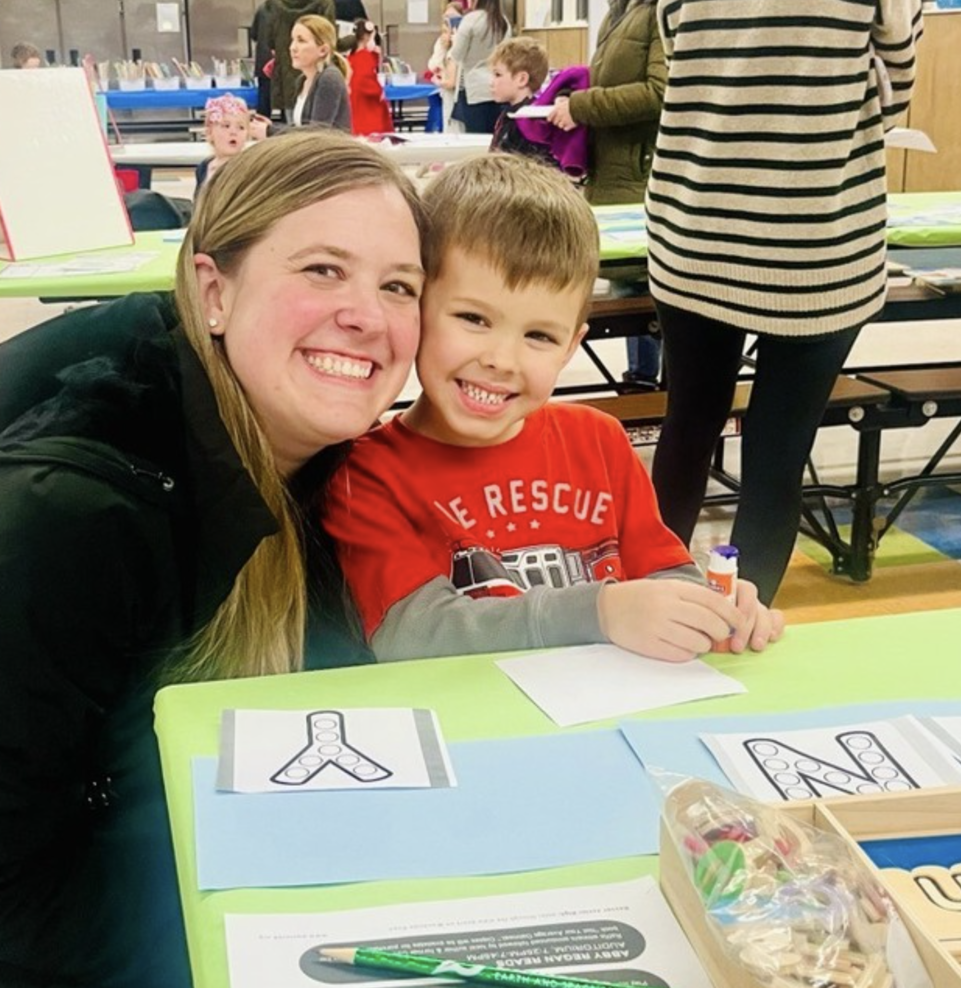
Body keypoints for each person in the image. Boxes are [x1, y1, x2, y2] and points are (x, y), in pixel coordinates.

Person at [0, 131, 426, 988]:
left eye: (398, 287)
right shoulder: (69, 521)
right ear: (213, 290)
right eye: (321, 270)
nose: (368, 315)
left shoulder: (336, 476)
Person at [324, 155, 783, 663]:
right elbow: (413, 633)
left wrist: (712, 606)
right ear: (416, 307)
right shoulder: (363, 473)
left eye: (539, 335)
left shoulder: (599, 440)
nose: (500, 360)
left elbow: (663, 570)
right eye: (473, 318)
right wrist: (601, 612)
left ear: (571, 346)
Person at [647, 0, 923, 606]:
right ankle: (741, 618)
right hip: (817, 239)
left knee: (688, 427)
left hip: (697, 226)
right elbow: (894, 91)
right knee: (777, 455)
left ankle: (654, 606)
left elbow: (677, 51)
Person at [546, 0, 665, 391]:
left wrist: (581, 106)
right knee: (628, 280)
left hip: (641, 172)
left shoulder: (657, 11)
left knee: (640, 281)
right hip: (613, 171)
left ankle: (649, 385)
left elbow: (661, 92)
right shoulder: (621, 12)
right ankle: (642, 380)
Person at [488, 37, 557, 167]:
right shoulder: (510, 114)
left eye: (498, 75)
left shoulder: (530, 122)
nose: (491, 82)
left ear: (521, 79)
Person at [449, 0, 511, 134]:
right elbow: (507, 54)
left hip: (474, 89)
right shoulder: (503, 21)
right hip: (498, 87)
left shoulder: (471, 20)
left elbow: (457, 54)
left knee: (476, 138)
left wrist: (454, 40)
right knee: (495, 137)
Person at [265, 0, 335, 114]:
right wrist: (355, 38)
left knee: (293, 121)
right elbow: (332, 40)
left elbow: (269, 40)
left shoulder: (274, 5)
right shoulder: (324, 4)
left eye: (301, 40)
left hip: (285, 80)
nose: (293, 47)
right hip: (314, 73)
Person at [195, 93, 252, 192]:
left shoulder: (248, 169)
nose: (234, 132)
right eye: (226, 126)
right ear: (209, 132)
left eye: (241, 127)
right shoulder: (204, 167)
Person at [346, 18, 393, 135]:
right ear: (367, 37)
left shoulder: (351, 57)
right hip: (367, 107)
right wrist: (379, 91)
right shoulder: (364, 57)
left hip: (355, 103)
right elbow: (364, 79)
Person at [427, 2, 464, 133]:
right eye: (446, 17)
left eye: (453, 17)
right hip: (445, 94)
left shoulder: (462, 42)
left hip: (459, 94)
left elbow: (452, 80)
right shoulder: (441, 42)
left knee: (456, 127)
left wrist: (455, 44)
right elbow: (433, 64)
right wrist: (443, 46)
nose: (448, 21)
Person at [249, 0, 274, 117]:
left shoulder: (263, 8)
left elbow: (253, 34)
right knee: (287, 105)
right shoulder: (290, 11)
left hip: (264, 62)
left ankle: (261, 133)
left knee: (264, 103)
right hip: (283, 65)